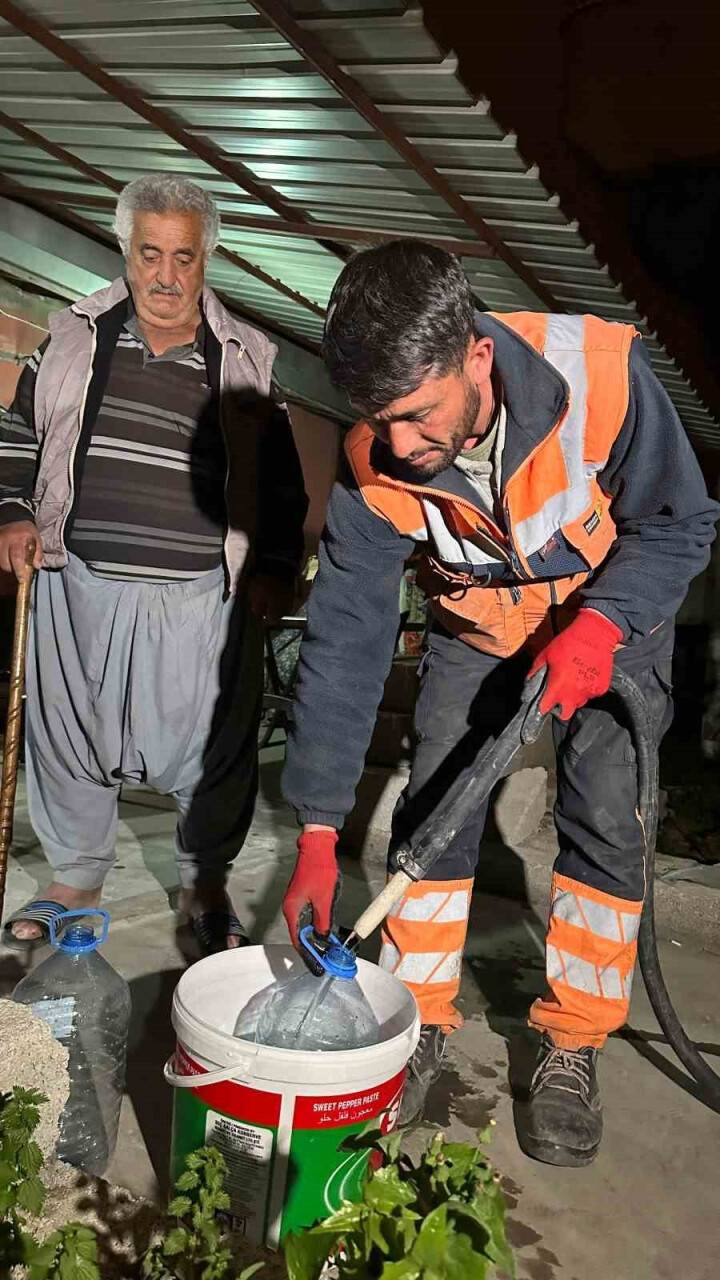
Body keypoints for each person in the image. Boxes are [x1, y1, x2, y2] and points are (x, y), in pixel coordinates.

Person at [280, 241, 718, 1166]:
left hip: (609, 615)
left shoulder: (598, 377)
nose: (401, 446)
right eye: (379, 420)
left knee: (603, 819)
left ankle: (572, 1041)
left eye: (417, 414)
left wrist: (600, 628)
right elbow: (345, 641)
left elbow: (682, 524)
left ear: (476, 355)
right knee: (435, 808)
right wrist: (318, 828)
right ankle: (419, 1015)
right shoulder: (375, 463)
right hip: (479, 623)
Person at [0, 174, 307, 952]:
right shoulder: (72, 340)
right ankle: (75, 877)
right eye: (150, 254)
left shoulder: (243, 359)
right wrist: (12, 513)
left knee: (211, 744)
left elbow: (280, 484)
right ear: (126, 253)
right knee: (67, 733)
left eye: (184, 257)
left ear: (207, 261)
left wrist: (271, 567)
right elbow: (16, 440)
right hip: (79, 581)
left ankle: (203, 883)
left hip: (201, 595)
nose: (165, 276)